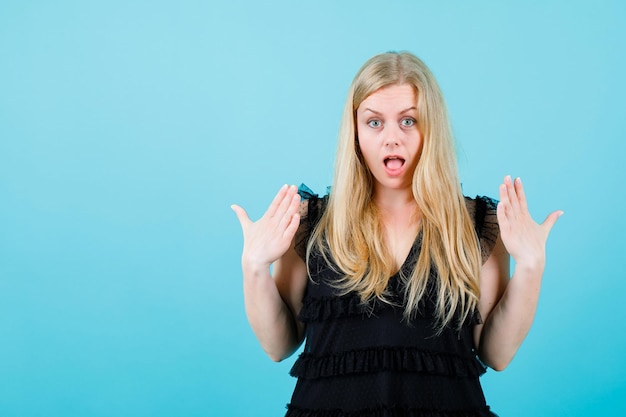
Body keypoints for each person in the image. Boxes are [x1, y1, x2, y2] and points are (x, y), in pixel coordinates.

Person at [232, 51, 562, 417]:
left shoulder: (478, 225)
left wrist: (531, 266)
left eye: (408, 121)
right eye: (374, 123)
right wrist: (253, 267)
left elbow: (495, 355)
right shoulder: (311, 224)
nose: (392, 138)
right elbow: (279, 346)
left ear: (431, 129)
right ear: (355, 132)